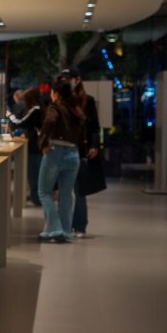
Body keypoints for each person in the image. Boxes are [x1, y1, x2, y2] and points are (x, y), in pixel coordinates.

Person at [37, 80, 86, 243]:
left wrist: (43, 143)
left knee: (44, 192)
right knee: (66, 194)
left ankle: (55, 229)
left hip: (55, 151)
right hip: (73, 154)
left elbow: (50, 122)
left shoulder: (55, 107)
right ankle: (65, 232)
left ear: (56, 93)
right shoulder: (75, 109)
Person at [60, 69, 102, 238]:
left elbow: (94, 127)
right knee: (65, 189)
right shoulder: (61, 101)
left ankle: (80, 225)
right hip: (63, 147)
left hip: (80, 149)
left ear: (77, 80)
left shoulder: (88, 101)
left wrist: (94, 145)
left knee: (79, 190)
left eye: (68, 79)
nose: (65, 82)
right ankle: (65, 225)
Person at [7, 87, 44, 206]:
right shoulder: (41, 108)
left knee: (33, 174)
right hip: (39, 146)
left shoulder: (35, 110)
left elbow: (20, 122)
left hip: (34, 146)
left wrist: (10, 116)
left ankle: (37, 198)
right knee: (38, 173)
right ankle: (37, 197)